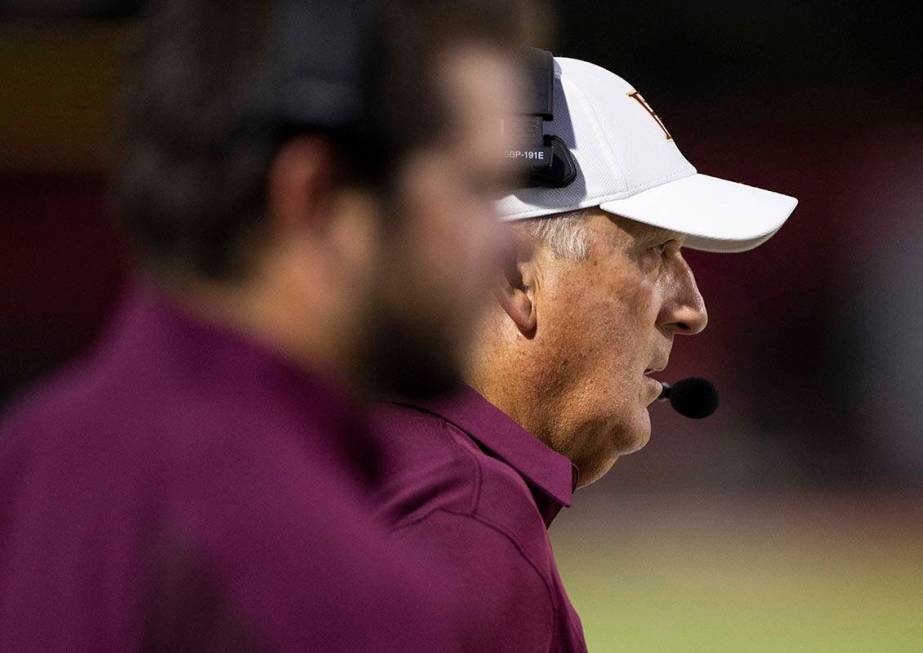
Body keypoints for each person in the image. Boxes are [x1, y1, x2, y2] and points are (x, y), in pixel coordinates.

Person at [0, 0, 528, 650]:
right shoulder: (343, 593)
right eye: (476, 188)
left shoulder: (27, 457)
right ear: (316, 198)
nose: (510, 247)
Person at [374, 57, 798, 651]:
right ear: (515, 275)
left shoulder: (376, 457)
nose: (693, 307)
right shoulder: (461, 519)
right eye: (652, 251)